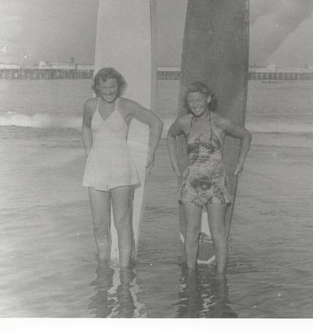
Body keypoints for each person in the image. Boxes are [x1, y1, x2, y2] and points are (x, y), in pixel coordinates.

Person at [82, 67, 163, 268]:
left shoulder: (125, 105)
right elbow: (85, 127)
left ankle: (126, 273)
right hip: (96, 168)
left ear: (118, 86)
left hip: (121, 168)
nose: (109, 91)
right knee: (99, 225)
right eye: (104, 87)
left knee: (122, 223)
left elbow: (156, 122)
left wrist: (151, 152)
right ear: (97, 88)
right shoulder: (90, 105)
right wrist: (89, 152)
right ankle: (103, 269)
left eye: (112, 86)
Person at [166, 82, 251, 273]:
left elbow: (246, 135)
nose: (195, 104)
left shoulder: (220, 122)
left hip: (216, 182)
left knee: (217, 232)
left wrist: (240, 163)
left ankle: (221, 275)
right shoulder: (184, 122)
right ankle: (190, 272)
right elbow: (170, 135)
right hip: (191, 182)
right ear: (187, 103)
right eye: (191, 101)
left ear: (208, 99)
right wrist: (174, 163)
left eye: (199, 100)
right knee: (191, 232)